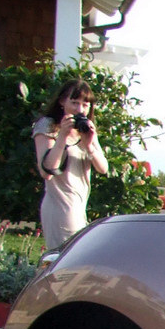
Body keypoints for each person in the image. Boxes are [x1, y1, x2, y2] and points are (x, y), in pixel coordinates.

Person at [32, 79, 108, 250]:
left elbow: (103, 168)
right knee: (67, 257)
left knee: (74, 258)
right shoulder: (48, 126)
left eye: (85, 105)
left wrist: (90, 146)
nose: (80, 109)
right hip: (61, 205)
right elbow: (47, 171)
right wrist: (62, 138)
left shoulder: (86, 128)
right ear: (62, 102)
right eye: (74, 103)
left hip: (79, 205)